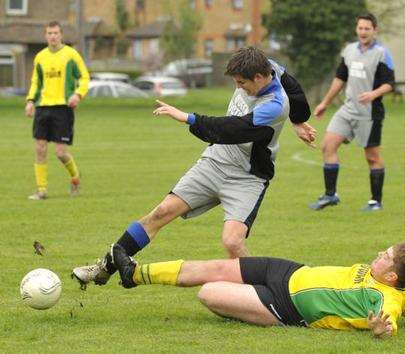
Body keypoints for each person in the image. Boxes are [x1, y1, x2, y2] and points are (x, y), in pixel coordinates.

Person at [72, 47, 315, 288]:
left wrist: (190, 118)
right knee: (161, 212)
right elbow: (292, 84)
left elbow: (232, 129)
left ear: (260, 78)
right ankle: (104, 267)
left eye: (242, 83)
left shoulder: (274, 106)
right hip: (216, 160)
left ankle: (259, 295)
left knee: (232, 242)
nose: (239, 88)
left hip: (247, 177)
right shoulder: (269, 65)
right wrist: (299, 120)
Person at [110, 242, 405, 337]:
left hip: (286, 307)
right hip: (290, 270)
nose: (380, 254)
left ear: (392, 277)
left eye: (386, 257)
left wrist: (381, 329)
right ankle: (135, 273)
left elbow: (389, 321)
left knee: (208, 292)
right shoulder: (403, 289)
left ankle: (252, 307)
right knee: (217, 266)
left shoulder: (385, 298)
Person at [309, 13, 395, 211]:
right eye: (360, 28)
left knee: (372, 157)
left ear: (375, 30)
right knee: (327, 146)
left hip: (370, 113)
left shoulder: (381, 53)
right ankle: (330, 195)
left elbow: (390, 84)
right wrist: (325, 103)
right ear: (356, 29)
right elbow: (340, 78)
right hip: (347, 109)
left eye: (367, 28)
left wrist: (373, 94)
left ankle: (375, 201)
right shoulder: (348, 50)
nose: (363, 32)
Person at [25, 21, 89, 200]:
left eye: (55, 33)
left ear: (61, 35)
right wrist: (30, 101)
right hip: (43, 107)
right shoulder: (40, 57)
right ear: (45, 36)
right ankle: (41, 190)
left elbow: (84, 77)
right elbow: (36, 83)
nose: (53, 36)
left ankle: (75, 177)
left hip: (63, 108)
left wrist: (78, 95)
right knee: (40, 148)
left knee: (60, 152)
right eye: (49, 33)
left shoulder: (71, 55)